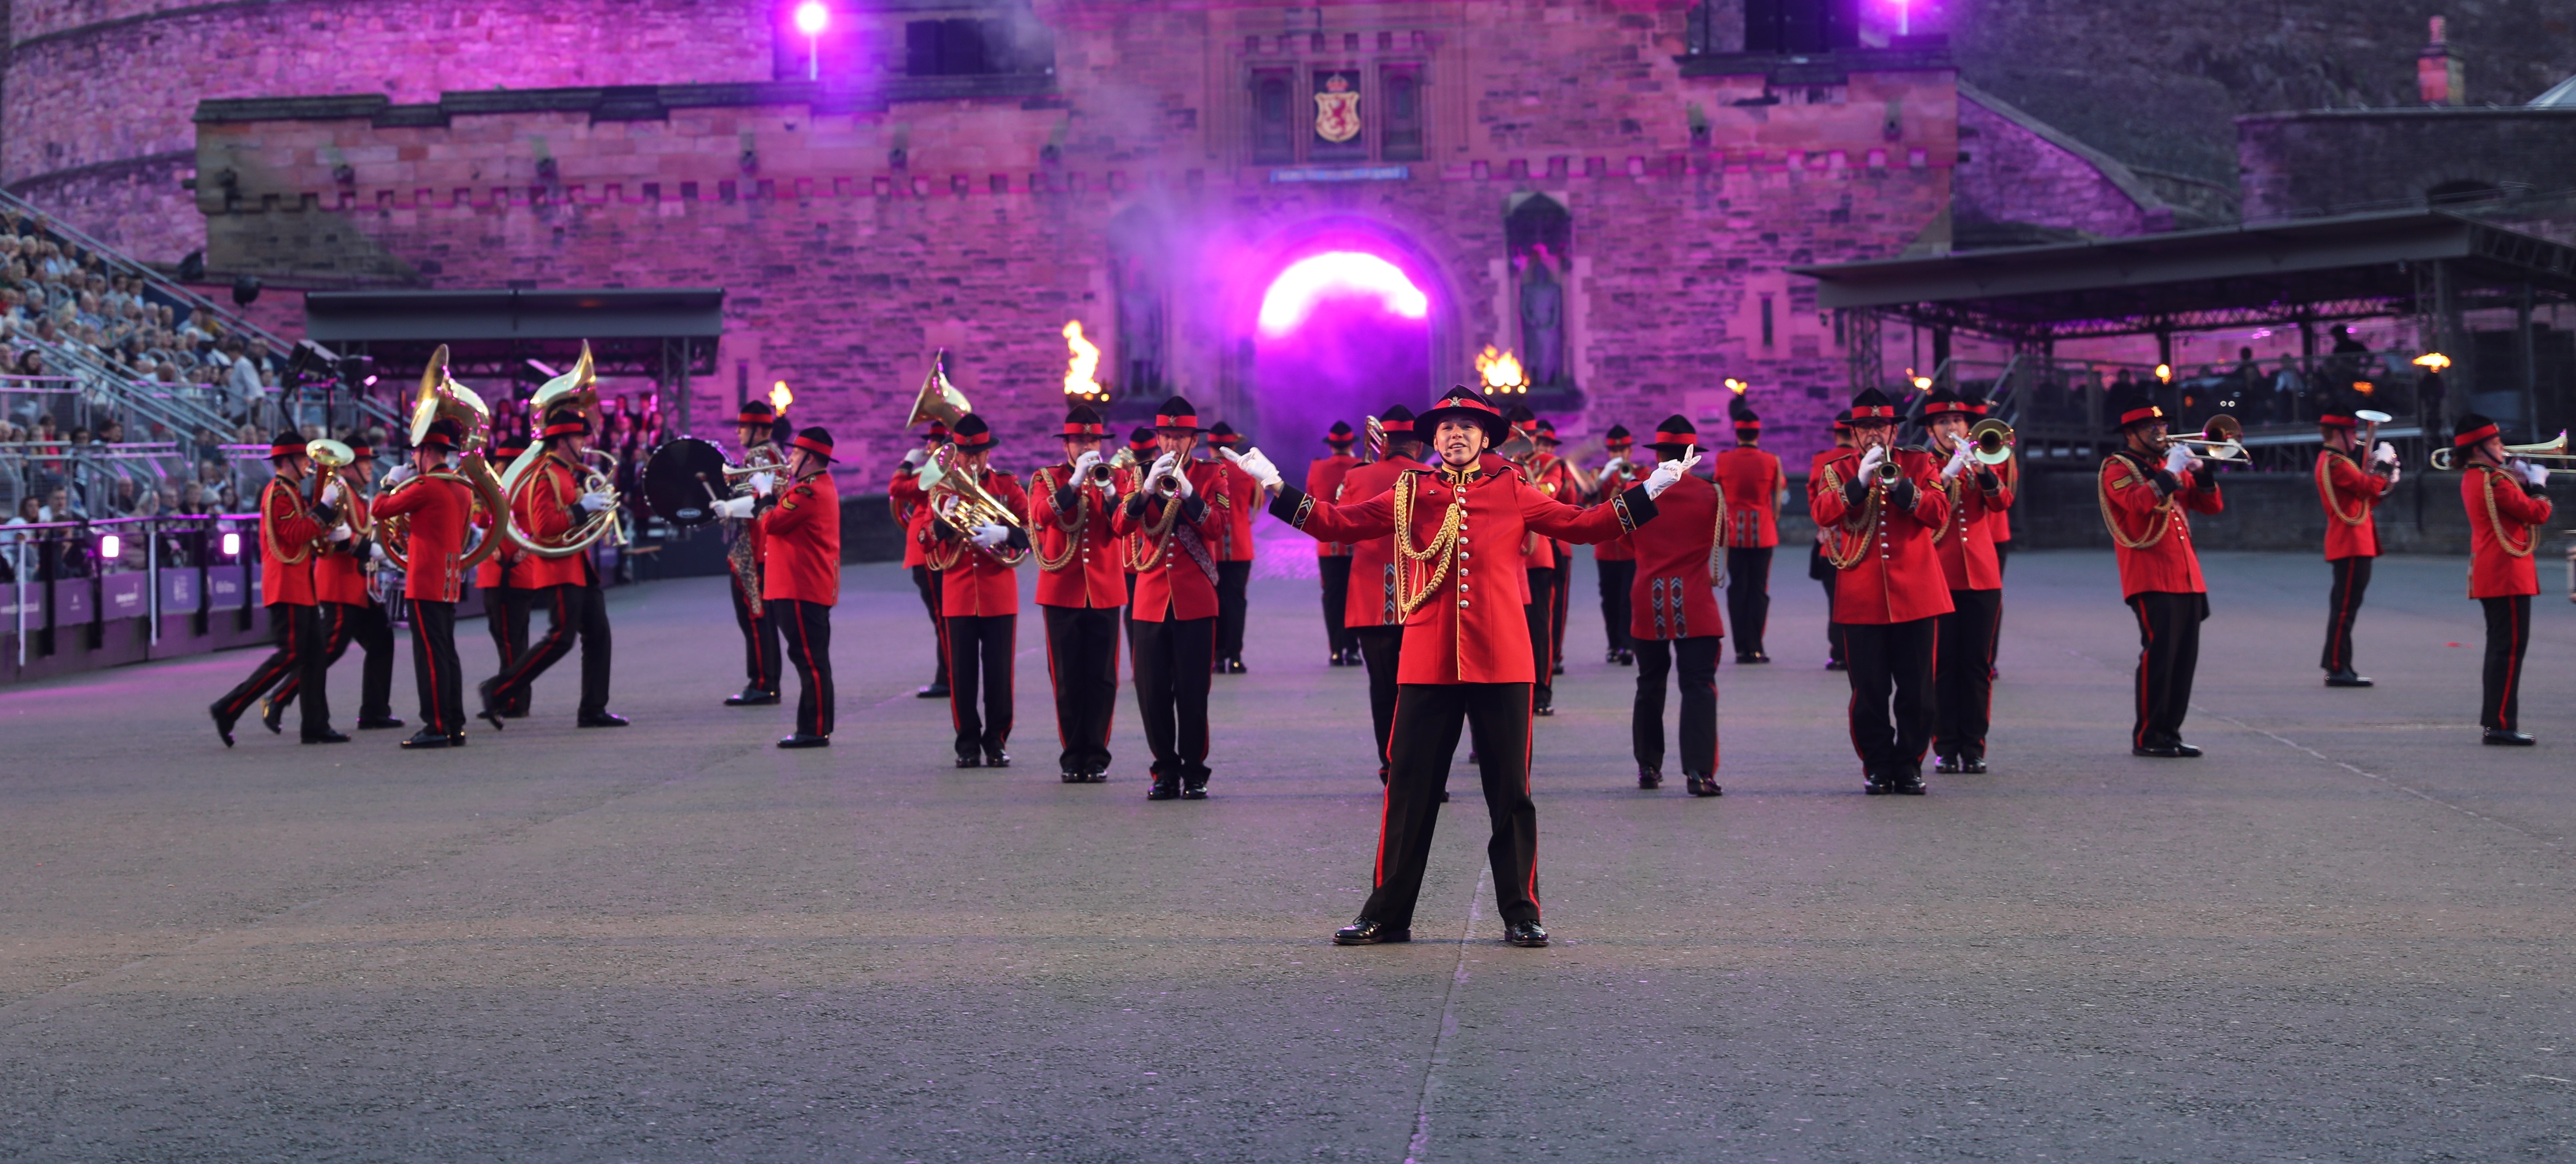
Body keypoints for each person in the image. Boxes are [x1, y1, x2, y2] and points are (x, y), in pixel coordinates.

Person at [1239, 385, 1684, 949]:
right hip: (1428, 658)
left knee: (1510, 793)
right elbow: (1338, 523)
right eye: (1447, 428)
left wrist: (1650, 489)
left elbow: (1583, 524)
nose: (1455, 435)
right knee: (1409, 791)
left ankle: (1521, 912)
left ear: (1483, 438)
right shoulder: (1410, 490)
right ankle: (1387, 913)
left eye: (1466, 428)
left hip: (1502, 658)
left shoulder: (1512, 487)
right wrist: (1276, 487)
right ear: (1434, 438)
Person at [1810, 389, 1952, 794]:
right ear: (1854, 434)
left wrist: (1901, 486)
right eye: (1866, 427)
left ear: (1894, 431)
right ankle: (1877, 766)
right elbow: (1822, 513)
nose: (1874, 434)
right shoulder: (1838, 469)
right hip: (1863, 597)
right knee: (1869, 692)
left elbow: (1939, 512)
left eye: (1881, 426)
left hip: (1917, 594)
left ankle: (1909, 765)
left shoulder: (1920, 462)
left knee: (1918, 691)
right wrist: (1859, 482)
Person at [478, 406, 627, 730]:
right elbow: (544, 527)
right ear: (562, 440)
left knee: (599, 635)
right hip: (560, 567)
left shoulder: (565, 472)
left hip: (578, 565)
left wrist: (592, 509)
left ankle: (593, 708)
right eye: (578, 437)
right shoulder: (547, 474)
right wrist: (583, 508)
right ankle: (498, 690)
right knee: (561, 638)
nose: (584, 443)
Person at [1110, 396, 1229, 799]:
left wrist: (1191, 493)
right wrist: (1144, 491)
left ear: (1194, 440)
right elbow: (1119, 526)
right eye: (1166, 436)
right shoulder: (1140, 474)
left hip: (1195, 599)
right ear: (1158, 438)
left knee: (1193, 692)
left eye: (1181, 437)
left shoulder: (1212, 474)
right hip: (1151, 599)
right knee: (1153, 692)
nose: (1172, 444)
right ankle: (1164, 770)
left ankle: (1194, 771)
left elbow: (1218, 527)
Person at [2097, 387, 2224, 758]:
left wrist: (2201, 472)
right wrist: (2170, 473)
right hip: (2150, 574)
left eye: (2162, 425)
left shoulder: (2168, 464)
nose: (2160, 431)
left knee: (2184, 660)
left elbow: (2211, 507)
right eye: (2149, 427)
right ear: (2130, 433)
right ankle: (2148, 735)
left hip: (2185, 574)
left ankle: (2170, 731)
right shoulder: (2118, 467)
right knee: (2160, 657)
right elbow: (2137, 504)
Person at [210, 428, 349, 745]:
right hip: (287, 586)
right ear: (287, 461)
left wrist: (327, 530)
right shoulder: (279, 494)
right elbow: (295, 534)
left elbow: (304, 534)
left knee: (314, 657)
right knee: (292, 655)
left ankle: (316, 725)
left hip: (301, 587)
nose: (309, 464)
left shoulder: (292, 491)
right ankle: (229, 706)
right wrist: (324, 509)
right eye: (302, 458)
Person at [264, 443, 402, 733]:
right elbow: (332, 534)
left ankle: (375, 710)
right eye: (364, 461)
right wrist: (369, 549)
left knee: (382, 641)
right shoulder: (338, 491)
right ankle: (279, 697)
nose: (370, 466)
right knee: (327, 650)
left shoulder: (355, 493)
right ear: (348, 466)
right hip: (340, 584)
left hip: (361, 585)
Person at [718, 426, 840, 747]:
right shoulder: (811, 488)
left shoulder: (808, 493)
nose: (790, 458)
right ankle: (813, 726)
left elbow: (771, 523)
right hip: (803, 585)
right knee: (810, 659)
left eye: (796, 453)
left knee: (809, 660)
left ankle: (814, 730)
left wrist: (764, 492)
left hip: (801, 586)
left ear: (810, 458)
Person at [1029, 405, 1130, 781]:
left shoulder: (1117, 477)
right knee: (1067, 677)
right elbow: (1041, 516)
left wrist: (1109, 490)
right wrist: (1074, 483)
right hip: (1062, 591)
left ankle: (1097, 755)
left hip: (1104, 589)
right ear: (1066, 445)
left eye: (1093, 440)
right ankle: (1073, 755)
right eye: (1079, 441)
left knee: (1103, 678)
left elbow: (1124, 527)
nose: (1087, 446)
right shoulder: (1047, 478)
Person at [1624, 415, 1724, 796]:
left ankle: (1648, 766)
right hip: (1695, 600)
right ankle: (1699, 773)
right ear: (1691, 455)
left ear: (1658, 454)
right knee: (1698, 686)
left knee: (1649, 683)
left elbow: (1622, 540)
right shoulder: (1712, 493)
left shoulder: (1636, 492)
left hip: (1647, 598)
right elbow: (1721, 539)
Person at [925, 412, 1029, 768]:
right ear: (956, 454)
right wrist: (944, 520)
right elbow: (924, 538)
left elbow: (1035, 529)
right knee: (962, 675)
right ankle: (967, 744)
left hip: (999, 593)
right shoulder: (942, 489)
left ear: (988, 453)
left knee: (999, 674)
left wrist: (1006, 534)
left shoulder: (1006, 485)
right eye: (966, 454)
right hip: (959, 593)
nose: (972, 461)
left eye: (978, 454)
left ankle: (997, 741)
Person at [1917, 389, 2012, 774]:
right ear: (1931, 430)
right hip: (1939, 575)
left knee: (1977, 665)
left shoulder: (1983, 459)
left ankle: (1974, 746)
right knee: (1942, 665)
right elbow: (1921, 507)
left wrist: (1982, 470)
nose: (1951, 427)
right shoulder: (1921, 463)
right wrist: (1947, 473)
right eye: (1943, 422)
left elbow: (2002, 503)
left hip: (1982, 576)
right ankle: (1945, 745)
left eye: (1956, 421)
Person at [373, 420, 478, 749]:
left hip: (425, 580)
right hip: (448, 580)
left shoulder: (426, 486)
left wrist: (391, 483)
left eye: (416, 453)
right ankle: (454, 723)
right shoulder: (462, 488)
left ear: (427, 451)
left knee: (429, 657)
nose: (413, 460)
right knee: (446, 654)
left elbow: (380, 509)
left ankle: (436, 725)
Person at [1334, 405, 1423, 785]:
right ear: (1419, 445)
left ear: (1383, 443)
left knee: (1383, 688)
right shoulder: (1433, 476)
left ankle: (1392, 768)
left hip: (1372, 599)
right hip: (1423, 598)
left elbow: (1341, 529)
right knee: (1424, 691)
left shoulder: (1358, 475)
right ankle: (1425, 772)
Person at [2452, 413, 2551, 745]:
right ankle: (2501, 725)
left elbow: (2511, 511)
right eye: (2495, 443)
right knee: (2508, 652)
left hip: (2493, 571)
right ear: (2478, 449)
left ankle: (2497, 721)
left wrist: (2519, 481)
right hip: (2507, 573)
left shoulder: (2479, 477)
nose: (2503, 448)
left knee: (2501, 650)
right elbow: (2537, 513)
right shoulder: (2495, 481)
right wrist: (2537, 484)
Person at [2314, 403, 2398, 687]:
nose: (2356, 437)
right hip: (2350, 543)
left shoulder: (2337, 461)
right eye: (2351, 432)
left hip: (2354, 541)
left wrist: (2387, 481)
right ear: (2338, 433)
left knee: (2346, 608)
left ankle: (2339, 664)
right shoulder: (2336, 463)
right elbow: (2366, 488)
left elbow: (2365, 501)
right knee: (2345, 609)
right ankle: (2338, 667)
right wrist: (2383, 467)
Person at [722, 399, 789, 706]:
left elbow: (763, 499)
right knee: (759, 620)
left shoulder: (760, 455)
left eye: (743, 426)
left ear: (758, 430)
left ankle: (763, 683)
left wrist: (728, 508)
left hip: (756, 550)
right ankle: (765, 681)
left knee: (756, 618)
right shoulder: (770, 454)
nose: (738, 432)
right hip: (760, 548)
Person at [1711, 399, 1785, 665]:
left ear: (1737, 433)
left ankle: (1741, 647)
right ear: (1758, 433)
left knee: (1737, 590)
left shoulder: (1724, 459)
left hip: (1734, 535)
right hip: (1763, 533)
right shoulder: (1771, 461)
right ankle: (1756, 646)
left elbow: (1717, 490)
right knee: (1759, 591)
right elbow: (1779, 493)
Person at [889, 421, 953, 698]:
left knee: (941, 619)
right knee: (943, 618)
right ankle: (948, 676)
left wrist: (906, 462)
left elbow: (896, 488)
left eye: (933, 441)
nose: (928, 446)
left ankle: (948, 679)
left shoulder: (935, 474)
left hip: (928, 553)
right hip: (933, 552)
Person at [473, 434, 535, 717]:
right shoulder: (517, 488)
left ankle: (512, 699)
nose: (495, 466)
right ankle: (513, 698)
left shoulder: (513, 490)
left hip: (507, 572)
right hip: (508, 572)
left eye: (499, 462)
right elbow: (482, 520)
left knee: (509, 641)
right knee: (512, 640)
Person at [1204, 420, 1260, 674]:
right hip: (1240, 547)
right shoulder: (1247, 472)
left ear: (1210, 447)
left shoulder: (1204, 471)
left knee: (1214, 602)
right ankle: (1236, 656)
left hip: (1211, 548)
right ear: (1233, 447)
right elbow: (1255, 503)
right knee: (1237, 602)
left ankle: (1216, 655)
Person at [1308, 420, 1362, 667]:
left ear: (1331, 446)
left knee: (1332, 598)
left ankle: (1336, 650)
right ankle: (1353, 649)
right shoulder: (1362, 466)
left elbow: (1312, 497)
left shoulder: (1318, 467)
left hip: (1328, 546)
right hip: (1356, 545)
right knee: (1355, 598)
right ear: (1351, 444)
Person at [1807, 409, 1855, 670]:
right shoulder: (1863, 460)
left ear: (1836, 435)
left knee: (1835, 602)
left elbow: (1814, 498)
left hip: (1831, 544)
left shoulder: (1822, 459)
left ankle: (1838, 651)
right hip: (1860, 542)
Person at [1591, 425, 1641, 666]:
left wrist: (1633, 483)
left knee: (1628, 598)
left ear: (1630, 451)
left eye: (1623, 450)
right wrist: (1602, 479)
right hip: (1607, 548)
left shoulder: (1642, 472)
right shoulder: (1599, 474)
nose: (1619, 454)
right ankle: (1613, 644)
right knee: (1609, 599)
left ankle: (1627, 645)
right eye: (1614, 451)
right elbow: (1586, 501)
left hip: (1632, 549)